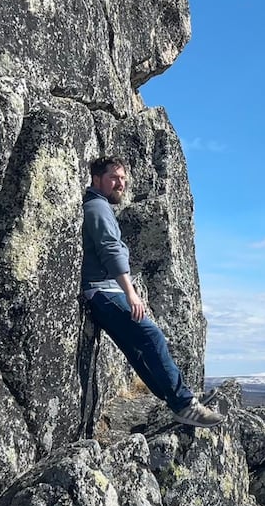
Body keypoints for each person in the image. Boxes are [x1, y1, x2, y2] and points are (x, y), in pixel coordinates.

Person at [81, 156, 225, 427]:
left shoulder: (99, 207)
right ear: (96, 179)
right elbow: (110, 250)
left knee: (138, 350)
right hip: (104, 291)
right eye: (114, 178)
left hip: (104, 291)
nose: (120, 184)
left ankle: (178, 399)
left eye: (123, 178)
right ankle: (184, 405)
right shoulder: (98, 208)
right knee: (152, 338)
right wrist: (130, 293)